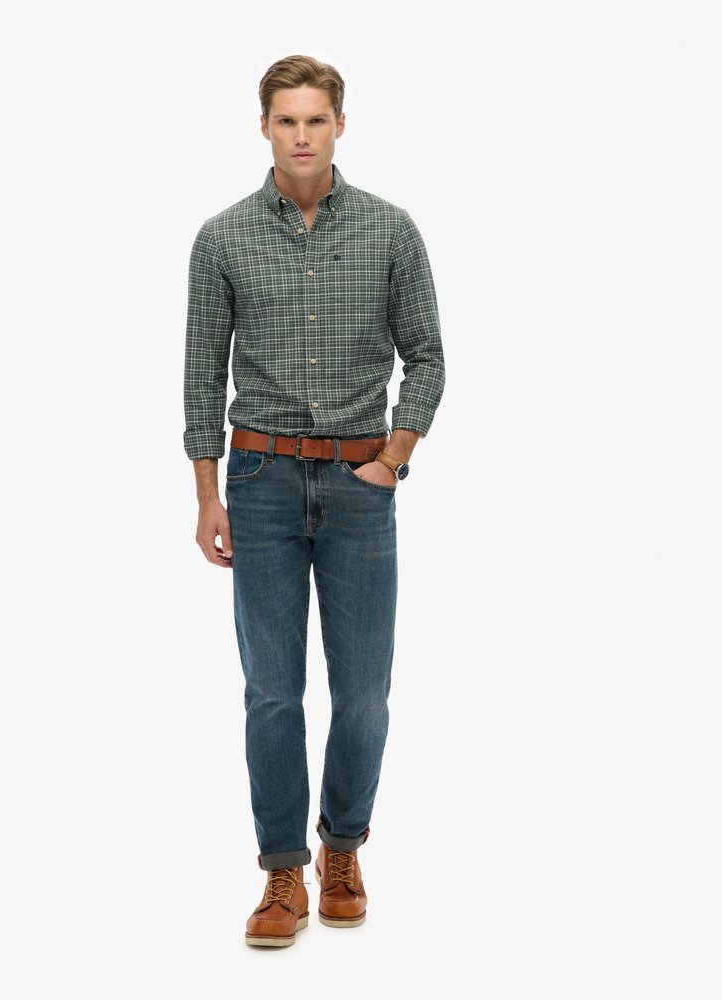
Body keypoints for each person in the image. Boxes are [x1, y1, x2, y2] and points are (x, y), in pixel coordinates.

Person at [182, 54, 446, 947]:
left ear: (340, 125)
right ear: (264, 127)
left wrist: (394, 458)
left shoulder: (390, 230)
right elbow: (201, 375)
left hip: (359, 482)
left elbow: (428, 356)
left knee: (364, 691)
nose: (302, 136)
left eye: (316, 120)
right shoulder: (221, 238)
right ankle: (282, 872)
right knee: (271, 693)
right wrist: (207, 495)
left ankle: (343, 849)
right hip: (257, 484)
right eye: (286, 120)